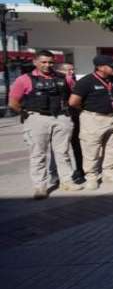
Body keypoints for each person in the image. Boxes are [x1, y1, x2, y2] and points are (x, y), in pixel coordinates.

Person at [9, 50, 82, 199]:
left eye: (50, 62)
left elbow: (73, 96)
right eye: (43, 62)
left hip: (61, 118)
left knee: (63, 152)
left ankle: (66, 181)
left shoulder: (65, 78)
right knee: (38, 154)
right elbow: (13, 102)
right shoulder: (24, 79)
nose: (47, 65)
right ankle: (40, 186)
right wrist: (26, 114)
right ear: (35, 62)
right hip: (37, 118)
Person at [68, 55, 113, 189]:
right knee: (91, 150)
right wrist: (88, 110)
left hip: (112, 117)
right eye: (111, 66)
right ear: (100, 67)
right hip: (93, 119)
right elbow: (73, 102)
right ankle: (92, 177)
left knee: (112, 148)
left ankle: (109, 173)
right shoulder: (86, 81)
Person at [59, 62, 85, 183]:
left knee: (77, 145)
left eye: (73, 70)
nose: (72, 72)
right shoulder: (60, 82)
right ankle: (64, 173)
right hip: (62, 117)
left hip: (75, 116)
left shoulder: (74, 82)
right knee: (62, 148)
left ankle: (80, 170)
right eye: (68, 70)